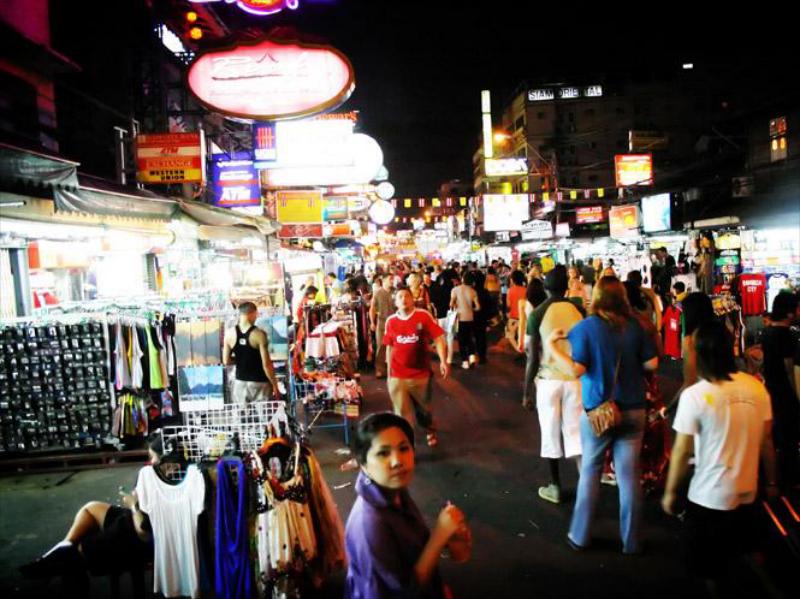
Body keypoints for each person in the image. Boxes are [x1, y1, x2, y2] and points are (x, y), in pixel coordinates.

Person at [662, 321, 778, 595]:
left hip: (708, 497)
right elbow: (766, 441)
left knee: (711, 569)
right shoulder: (756, 388)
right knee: (745, 554)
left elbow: (681, 452)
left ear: (699, 355)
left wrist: (670, 492)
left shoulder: (695, 396)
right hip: (748, 490)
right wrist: (772, 483)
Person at [547, 276, 658, 554]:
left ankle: (580, 535)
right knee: (629, 476)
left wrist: (552, 346)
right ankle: (632, 541)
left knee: (591, 470)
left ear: (595, 297)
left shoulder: (586, 328)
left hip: (599, 411)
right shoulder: (636, 326)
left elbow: (576, 370)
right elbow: (652, 363)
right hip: (634, 410)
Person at [344, 413, 470, 599]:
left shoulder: (392, 489)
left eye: (403, 448)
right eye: (383, 453)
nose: (397, 461)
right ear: (363, 464)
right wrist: (439, 536)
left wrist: (449, 541)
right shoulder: (369, 523)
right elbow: (404, 592)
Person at [20, 432, 162, 588]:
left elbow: (144, 532)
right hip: (131, 520)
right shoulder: (155, 475)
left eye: (153, 457)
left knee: (77, 552)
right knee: (91, 508)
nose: (151, 461)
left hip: (136, 533)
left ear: (165, 459)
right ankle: (63, 547)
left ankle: (56, 558)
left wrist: (133, 504)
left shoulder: (157, 479)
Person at [523, 266, 585, 504]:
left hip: (548, 382)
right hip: (575, 379)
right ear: (566, 287)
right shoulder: (579, 309)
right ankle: (585, 484)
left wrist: (526, 391)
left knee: (550, 433)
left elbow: (532, 356)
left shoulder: (538, 313)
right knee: (576, 434)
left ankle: (555, 485)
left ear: (546, 288)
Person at [384, 289, 450, 447]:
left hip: (420, 374)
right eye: (400, 297)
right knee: (401, 414)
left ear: (413, 299)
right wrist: (389, 374)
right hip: (397, 375)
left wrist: (443, 361)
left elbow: (439, 339)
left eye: (407, 296)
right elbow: (389, 348)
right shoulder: (390, 321)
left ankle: (430, 429)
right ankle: (406, 443)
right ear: (395, 303)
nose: (404, 299)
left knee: (424, 411)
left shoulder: (423, 315)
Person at [759, 292, 800, 488]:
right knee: (789, 438)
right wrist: (795, 395)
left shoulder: (766, 332)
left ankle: (775, 474)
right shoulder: (787, 335)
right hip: (785, 393)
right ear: (790, 313)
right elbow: (789, 369)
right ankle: (790, 478)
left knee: (775, 435)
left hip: (771, 389)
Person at [666, 293, 714, 415]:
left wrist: (669, 408)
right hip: (724, 398)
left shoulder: (691, 341)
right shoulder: (722, 334)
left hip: (703, 402)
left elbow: (689, 382)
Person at [223, 302, 280, 402]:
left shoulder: (229, 334)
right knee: (264, 416)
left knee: (242, 417)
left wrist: (242, 360)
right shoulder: (259, 334)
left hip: (240, 382)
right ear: (252, 313)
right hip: (260, 383)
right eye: (256, 315)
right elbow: (266, 364)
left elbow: (226, 361)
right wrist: (275, 385)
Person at [450, 272, 481, 369]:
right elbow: (478, 307)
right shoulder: (473, 291)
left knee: (461, 340)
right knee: (469, 338)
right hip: (470, 317)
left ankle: (465, 361)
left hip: (460, 318)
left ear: (462, 279)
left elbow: (451, 304)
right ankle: (472, 357)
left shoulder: (455, 289)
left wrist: (455, 306)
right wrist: (472, 309)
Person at [370, 276, 395, 379]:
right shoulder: (377, 293)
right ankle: (379, 369)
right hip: (382, 323)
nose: (392, 281)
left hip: (395, 323)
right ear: (384, 281)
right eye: (390, 279)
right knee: (381, 346)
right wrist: (372, 322)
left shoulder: (396, 292)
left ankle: (394, 368)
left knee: (395, 346)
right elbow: (372, 308)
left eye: (393, 279)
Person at [518, 278, 547, 354]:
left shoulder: (522, 303)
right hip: (544, 334)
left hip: (529, 334)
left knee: (531, 360)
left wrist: (520, 341)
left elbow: (522, 323)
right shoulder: (546, 303)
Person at [471, 270, 493, 364]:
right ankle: (482, 356)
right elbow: (489, 306)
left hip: (472, 317)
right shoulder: (485, 292)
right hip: (482, 317)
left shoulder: (471, 291)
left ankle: (473, 356)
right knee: (482, 337)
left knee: (473, 336)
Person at [506, 270, 527, 351]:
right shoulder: (526, 290)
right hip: (524, 317)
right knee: (523, 335)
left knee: (510, 335)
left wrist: (507, 314)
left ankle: (519, 350)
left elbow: (508, 305)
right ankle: (523, 349)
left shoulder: (510, 290)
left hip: (513, 317)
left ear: (512, 280)